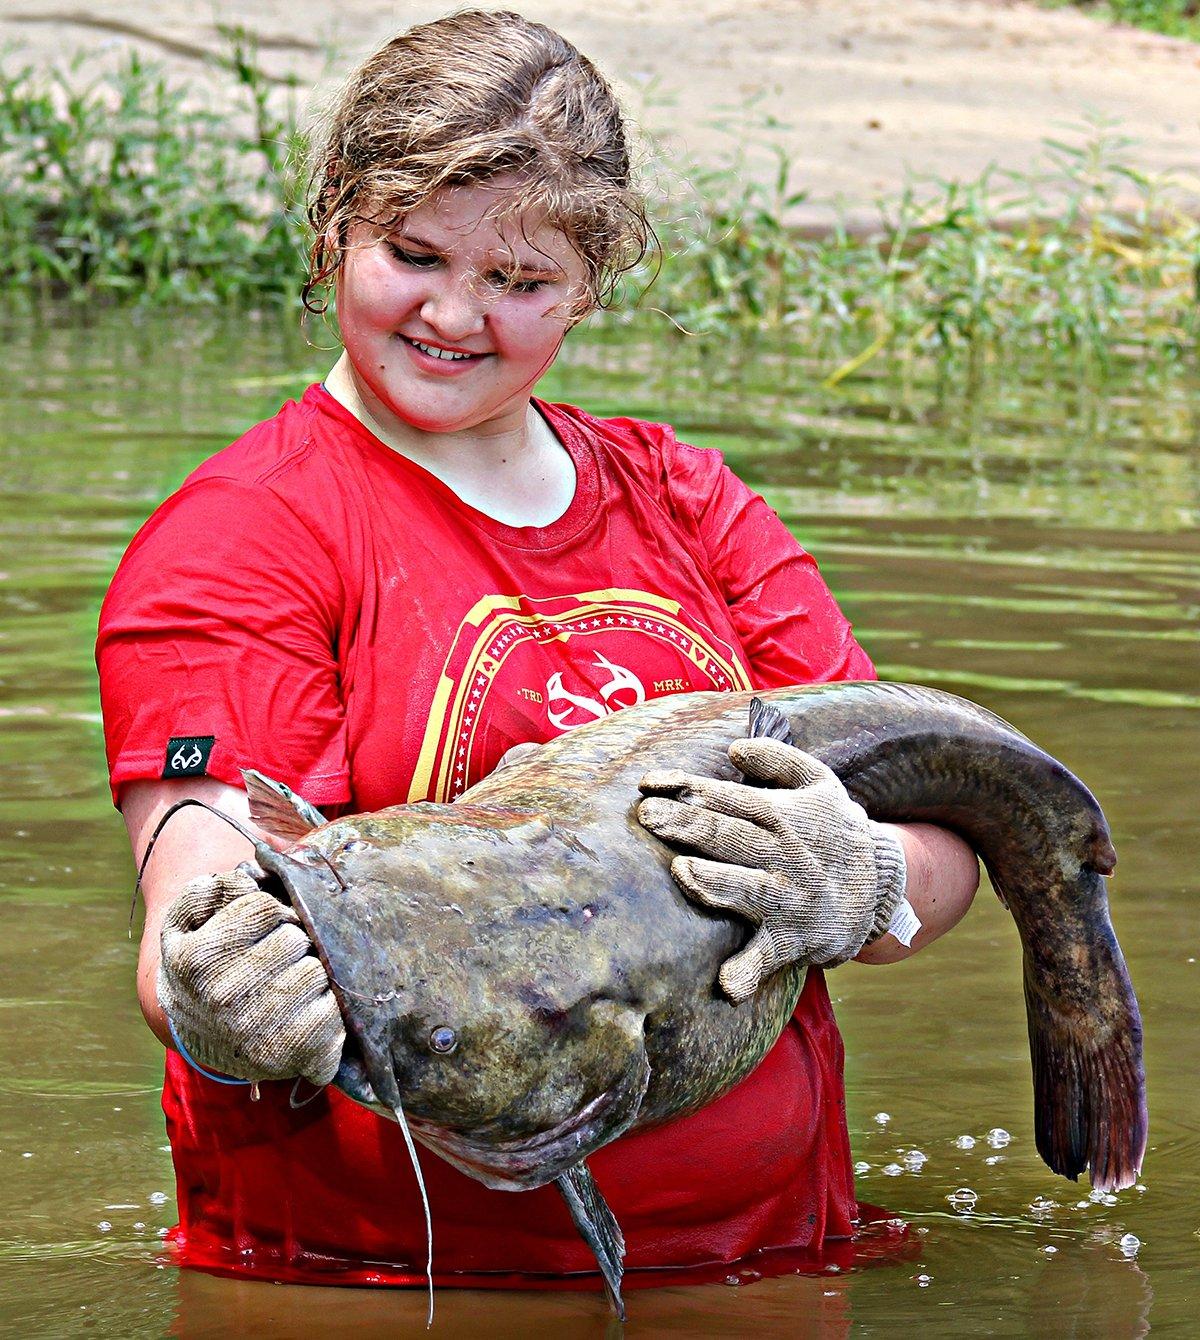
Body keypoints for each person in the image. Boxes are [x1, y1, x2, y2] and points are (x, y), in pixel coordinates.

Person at [97, 10, 980, 1293]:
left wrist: (866, 880)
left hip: (772, 1266)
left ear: (590, 284)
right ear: (335, 222)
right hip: (378, 1288)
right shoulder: (240, 537)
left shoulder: (686, 499)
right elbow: (199, 888)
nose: (455, 314)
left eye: (520, 281)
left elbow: (940, 842)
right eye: (412, 254)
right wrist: (219, 994)